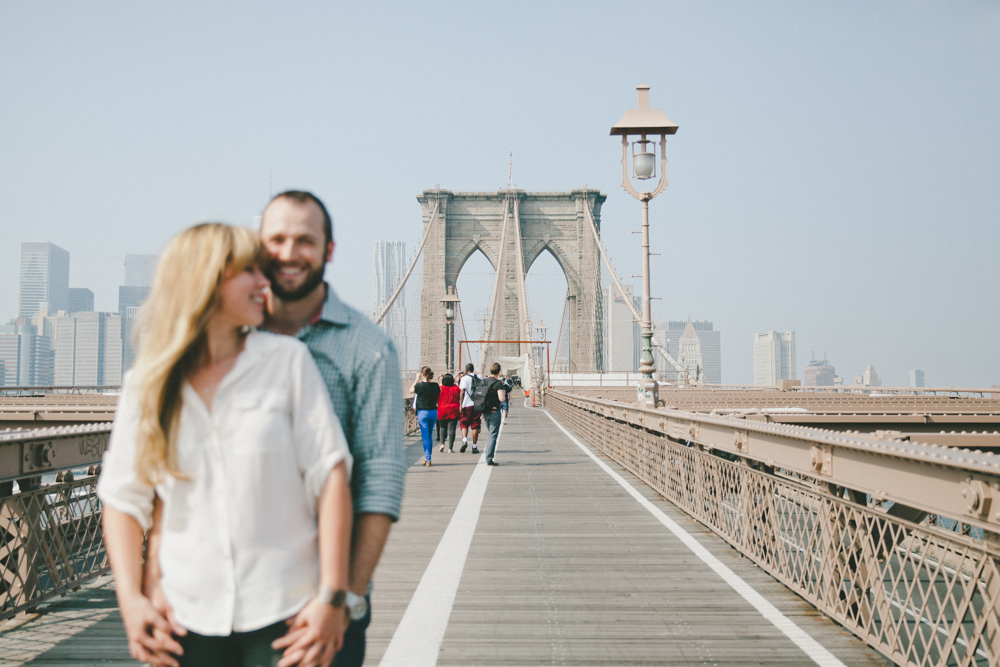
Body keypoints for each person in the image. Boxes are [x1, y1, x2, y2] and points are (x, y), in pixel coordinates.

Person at [145, 191, 406, 667]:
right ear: (257, 249)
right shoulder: (221, 339)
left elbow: (379, 483)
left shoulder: (369, 350)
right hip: (210, 606)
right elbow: (166, 479)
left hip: (319, 603)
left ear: (328, 250)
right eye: (277, 239)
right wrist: (151, 585)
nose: (289, 253)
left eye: (305, 240)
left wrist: (345, 599)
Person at [98, 223, 354, 667]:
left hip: (287, 616)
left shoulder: (288, 364)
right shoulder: (149, 385)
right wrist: (131, 600)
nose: (265, 282)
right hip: (181, 621)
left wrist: (332, 596)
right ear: (206, 279)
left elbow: (331, 479)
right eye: (250, 271)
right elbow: (122, 499)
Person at [409, 367, 439, 466]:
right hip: (433, 412)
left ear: (422, 374)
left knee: (425, 437)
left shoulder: (420, 385)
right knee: (429, 436)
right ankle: (428, 458)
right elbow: (437, 394)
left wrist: (417, 379)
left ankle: (428, 459)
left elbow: (410, 390)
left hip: (423, 413)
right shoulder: (435, 385)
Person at [480, 363, 508, 466]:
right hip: (494, 412)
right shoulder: (498, 383)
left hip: (485, 412)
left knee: (490, 434)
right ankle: (489, 458)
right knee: (492, 435)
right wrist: (504, 396)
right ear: (499, 371)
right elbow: (501, 399)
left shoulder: (483, 381)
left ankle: (488, 456)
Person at [457, 363, 482, 453]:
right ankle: (474, 447)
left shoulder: (464, 378)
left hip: (466, 405)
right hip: (477, 405)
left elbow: (462, 392)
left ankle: (464, 441)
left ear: (466, 370)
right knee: (475, 425)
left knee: (463, 423)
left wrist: (460, 405)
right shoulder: (479, 378)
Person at [436, 373, 461, 453]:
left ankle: (442, 444)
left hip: (442, 409)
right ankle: (450, 448)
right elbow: (460, 397)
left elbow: (436, 399)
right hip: (454, 409)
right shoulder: (456, 388)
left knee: (442, 427)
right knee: (452, 428)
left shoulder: (440, 388)